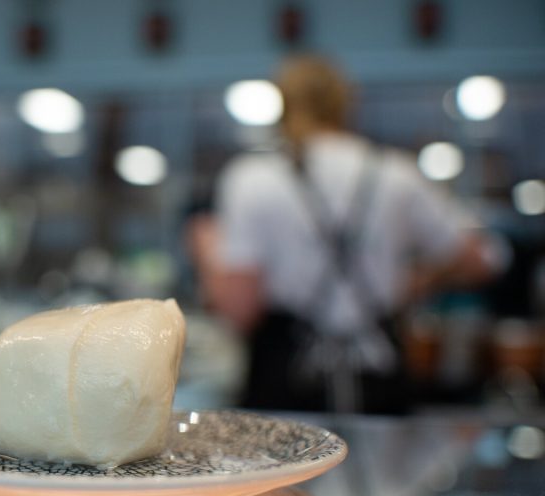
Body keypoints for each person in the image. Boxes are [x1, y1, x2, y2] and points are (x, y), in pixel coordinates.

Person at [188, 55, 498, 414]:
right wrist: (413, 282)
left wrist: (206, 252)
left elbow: (239, 311)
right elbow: (482, 259)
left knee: (286, 452)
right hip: (380, 372)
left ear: (284, 105)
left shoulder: (252, 178)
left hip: (286, 377)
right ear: (345, 105)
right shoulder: (395, 173)